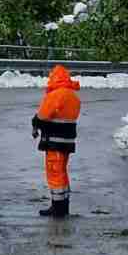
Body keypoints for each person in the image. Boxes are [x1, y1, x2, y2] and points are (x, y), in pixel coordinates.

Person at [31, 65, 81, 217]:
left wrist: (35, 123)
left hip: (54, 141)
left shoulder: (56, 94)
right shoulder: (73, 96)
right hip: (67, 141)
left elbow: (43, 115)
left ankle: (58, 208)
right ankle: (63, 205)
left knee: (55, 172)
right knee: (62, 172)